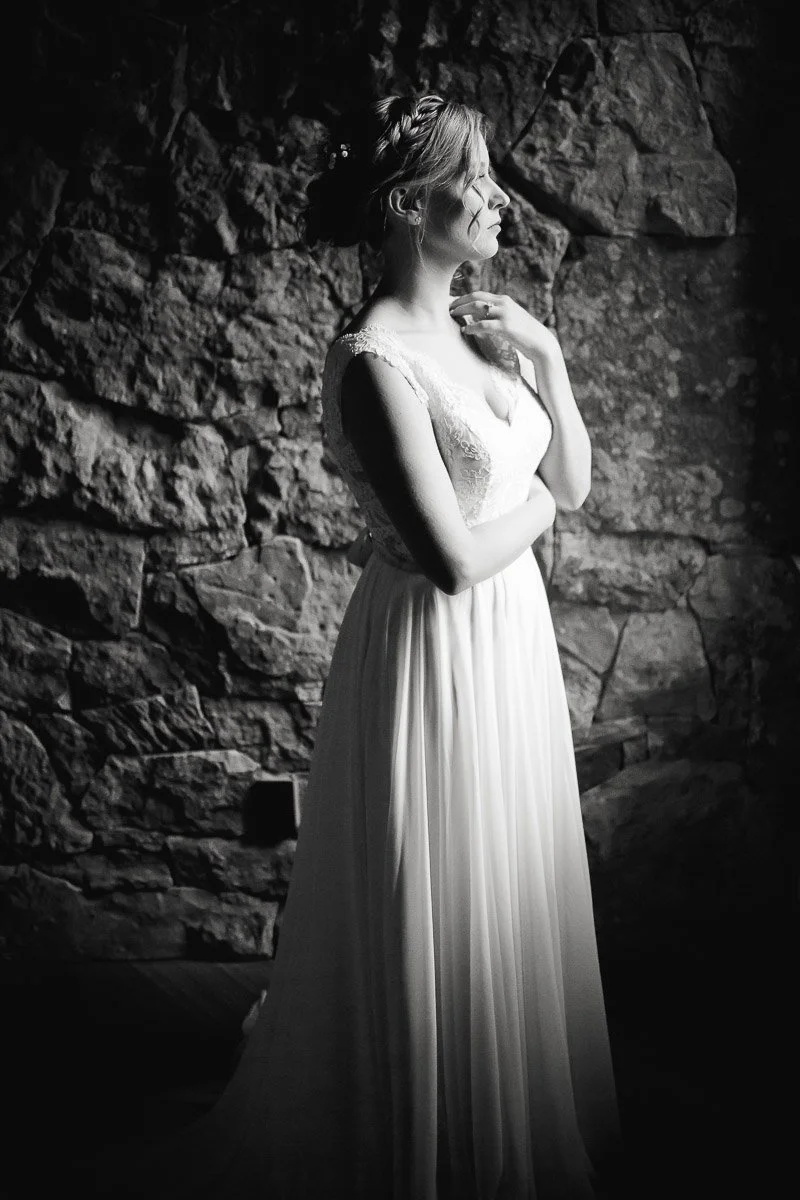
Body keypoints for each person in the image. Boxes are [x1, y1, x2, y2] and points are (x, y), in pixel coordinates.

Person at [93, 92, 621, 1200]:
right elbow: (453, 558)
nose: (493, 198)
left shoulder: (486, 327)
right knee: (434, 889)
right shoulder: (375, 361)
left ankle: (503, 1123)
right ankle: (419, 1139)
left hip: (506, 649)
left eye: (487, 177)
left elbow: (570, 478)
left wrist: (551, 354)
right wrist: (539, 508)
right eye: (469, 178)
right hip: (434, 647)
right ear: (403, 203)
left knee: (506, 885)